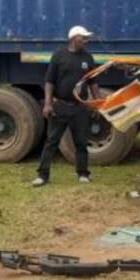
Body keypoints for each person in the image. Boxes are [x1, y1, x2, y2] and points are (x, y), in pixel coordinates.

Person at [32, 26, 101, 187]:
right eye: (83, 38)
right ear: (73, 38)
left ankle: (83, 174)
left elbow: (93, 83)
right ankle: (42, 176)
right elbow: (49, 82)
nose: (86, 41)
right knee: (51, 142)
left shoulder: (88, 58)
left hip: (80, 108)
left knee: (81, 143)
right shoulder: (58, 56)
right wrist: (48, 104)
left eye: (86, 38)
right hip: (60, 107)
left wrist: (97, 104)